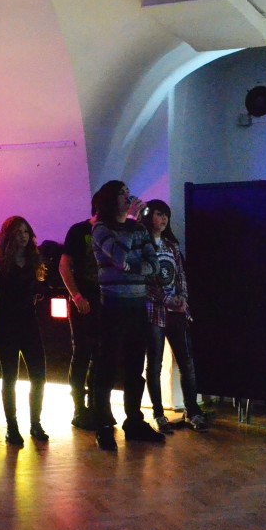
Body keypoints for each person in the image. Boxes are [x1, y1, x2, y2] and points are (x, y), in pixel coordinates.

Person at [89, 181, 163, 451]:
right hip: (113, 305)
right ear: (111, 199)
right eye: (122, 193)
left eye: (128, 192)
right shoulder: (101, 228)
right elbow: (120, 257)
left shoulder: (139, 229)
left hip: (137, 305)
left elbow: (154, 265)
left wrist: (133, 266)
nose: (129, 197)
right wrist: (131, 224)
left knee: (135, 366)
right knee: (107, 367)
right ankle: (103, 425)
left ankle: (133, 422)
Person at [137, 200, 208, 432]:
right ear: (149, 217)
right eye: (159, 214)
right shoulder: (142, 245)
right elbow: (144, 281)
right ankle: (159, 414)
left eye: (166, 215)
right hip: (154, 312)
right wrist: (167, 299)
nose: (164, 219)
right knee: (154, 364)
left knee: (187, 362)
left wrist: (183, 300)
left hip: (177, 312)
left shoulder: (171, 246)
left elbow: (180, 276)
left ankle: (192, 411)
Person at [0, 216, 49, 445]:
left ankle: (35, 423)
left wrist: (35, 296)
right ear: (9, 235)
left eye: (26, 232)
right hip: (6, 323)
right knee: (10, 376)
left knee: (38, 374)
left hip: (28, 322)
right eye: (18, 232)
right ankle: (12, 426)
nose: (23, 236)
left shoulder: (33, 258)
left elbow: (39, 287)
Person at [59, 203, 101, 431]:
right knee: (83, 352)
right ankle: (79, 408)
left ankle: (96, 405)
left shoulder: (115, 230)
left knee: (100, 354)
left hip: (105, 301)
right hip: (84, 300)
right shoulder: (79, 230)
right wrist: (76, 296)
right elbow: (64, 266)